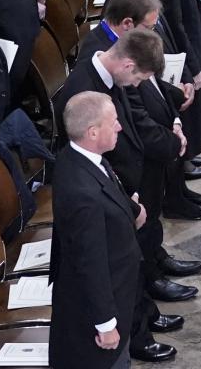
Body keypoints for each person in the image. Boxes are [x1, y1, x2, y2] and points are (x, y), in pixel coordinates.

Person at [50, 90, 155, 368]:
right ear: (93, 132)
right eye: (114, 122)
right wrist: (106, 324)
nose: (120, 126)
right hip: (96, 317)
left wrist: (131, 210)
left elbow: (110, 189)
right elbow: (90, 262)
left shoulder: (79, 159)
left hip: (120, 287)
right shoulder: (83, 195)